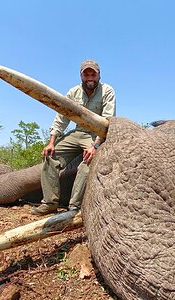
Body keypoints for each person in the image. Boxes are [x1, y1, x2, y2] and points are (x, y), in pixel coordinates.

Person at [31, 60, 116, 216]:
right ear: (81, 75)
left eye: (93, 74)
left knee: (89, 161)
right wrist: (51, 142)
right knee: (50, 156)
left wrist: (95, 146)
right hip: (77, 132)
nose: (90, 77)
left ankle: (74, 207)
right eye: (86, 74)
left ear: (99, 75)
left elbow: (108, 120)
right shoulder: (73, 92)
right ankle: (50, 202)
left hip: (96, 134)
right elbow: (61, 116)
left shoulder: (107, 90)